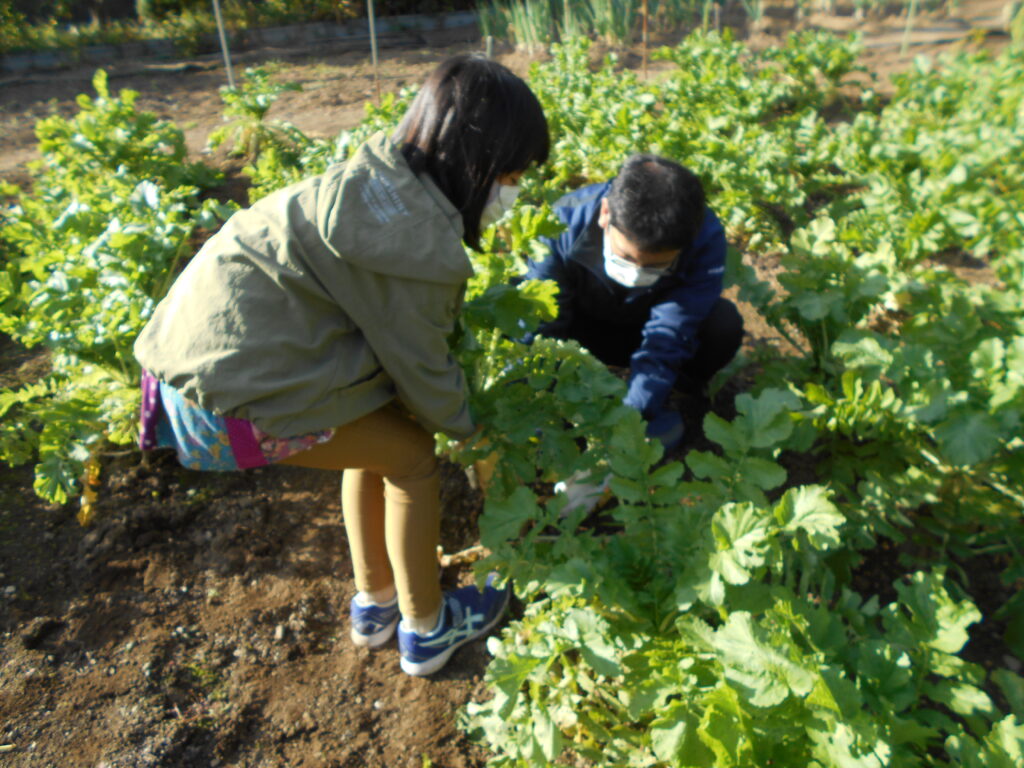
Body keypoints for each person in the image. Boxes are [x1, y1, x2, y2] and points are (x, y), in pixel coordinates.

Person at [133, 55, 549, 677]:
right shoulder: (415, 248)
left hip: (184, 374)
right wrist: (474, 433)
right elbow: (425, 372)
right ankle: (428, 628)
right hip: (227, 406)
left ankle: (376, 604)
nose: (515, 191)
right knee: (411, 456)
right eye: (512, 174)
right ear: (477, 165)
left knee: (373, 443)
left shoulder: (376, 178)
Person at [525, 154, 743, 452]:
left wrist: (628, 420)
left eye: (656, 266)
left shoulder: (704, 238)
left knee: (723, 324)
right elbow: (542, 326)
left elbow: (669, 334)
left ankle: (673, 395)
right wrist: (542, 403)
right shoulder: (560, 222)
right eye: (626, 257)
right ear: (605, 214)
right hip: (578, 332)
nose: (636, 273)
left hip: (643, 331)